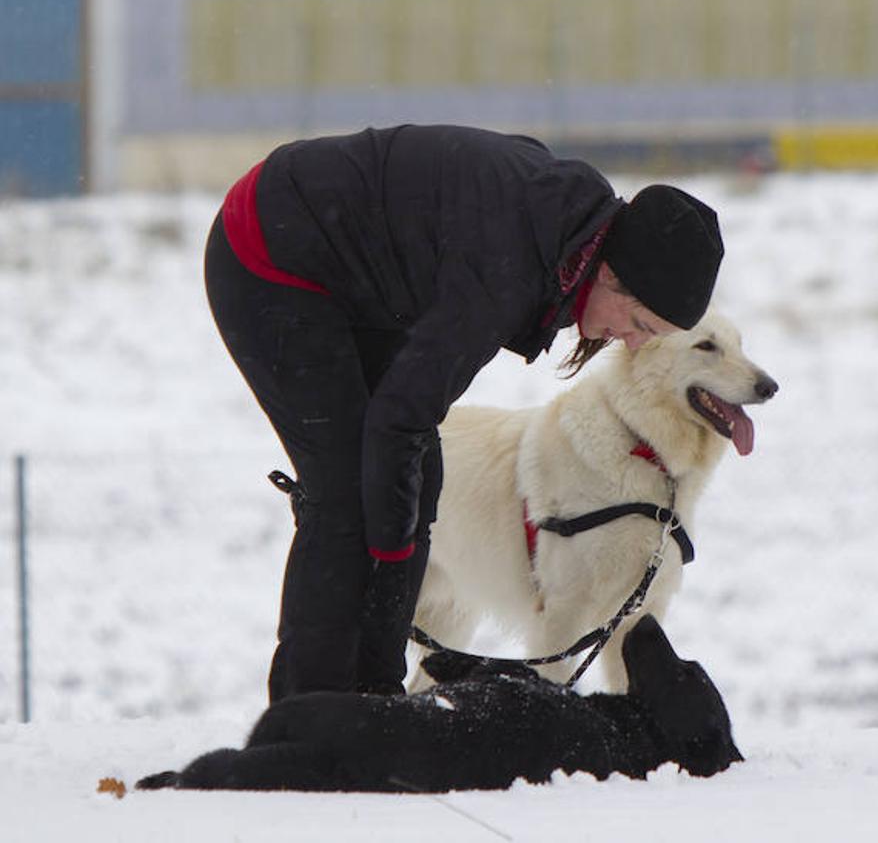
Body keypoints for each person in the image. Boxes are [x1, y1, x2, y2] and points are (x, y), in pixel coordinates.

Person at [204, 124, 723, 702]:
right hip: (269, 252)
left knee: (412, 479)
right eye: (642, 325)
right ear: (609, 274)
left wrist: (396, 549)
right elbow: (400, 418)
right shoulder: (506, 266)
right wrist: (394, 553)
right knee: (347, 493)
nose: (630, 341)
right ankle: (310, 710)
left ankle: (371, 698)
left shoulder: (569, 230)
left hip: (351, 273)